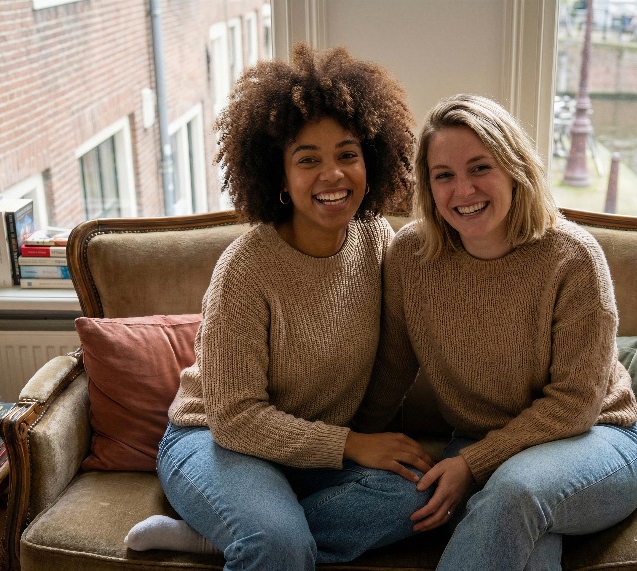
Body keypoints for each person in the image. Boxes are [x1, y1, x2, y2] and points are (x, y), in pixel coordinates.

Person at [125, 44, 433, 568]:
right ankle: (263, 534)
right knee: (277, 543)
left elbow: (392, 360)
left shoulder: (376, 239)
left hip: (310, 451)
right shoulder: (245, 270)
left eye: (347, 154)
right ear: (279, 176)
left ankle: (224, 536)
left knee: (424, 495)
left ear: (371, 160)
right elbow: (236, 419)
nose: (333, 174)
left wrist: (360, 441)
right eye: (308, 159)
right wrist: (351, 445)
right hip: (216, 441)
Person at [353, 94, 637, 570]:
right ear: (428, 187)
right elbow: (391, 369)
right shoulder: (411, 256)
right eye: (443, 175)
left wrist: (473, 465)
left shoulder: (573, 258)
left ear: (514, 169)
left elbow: (575, 403)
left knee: (515, 491)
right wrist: (348, 445)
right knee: (523, 542)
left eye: (480, 168)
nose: (463, 190)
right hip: (479, 443)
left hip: (595, 441)